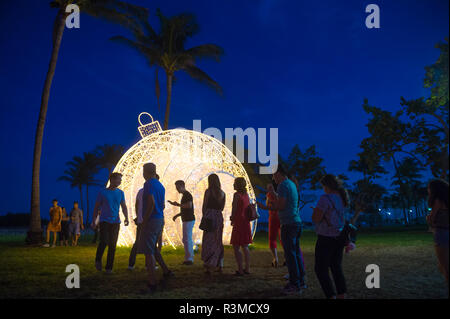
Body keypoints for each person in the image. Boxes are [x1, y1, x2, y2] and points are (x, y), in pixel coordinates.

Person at [260, 165, 306, 295]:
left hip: (288, 224)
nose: (273, 178)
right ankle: (301, 281)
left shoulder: (283, 186)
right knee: (295, 253)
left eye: (273, 175)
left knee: (290, 256)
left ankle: (294, 284)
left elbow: (281, 206)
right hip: (296, 222)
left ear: (278, 173)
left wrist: (266, 206)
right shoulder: (291, 184)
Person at [311, 174, 349, 299]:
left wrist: (315, 211)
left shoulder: (325, 198)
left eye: (323, 186)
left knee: (320, 269)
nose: (323, 189)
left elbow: (316, 218)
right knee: (336, 267)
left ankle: (330, 295)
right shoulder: (341, 198)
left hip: (325, 238)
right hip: (339, 237)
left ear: (327, 186)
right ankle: (341, 295)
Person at [137, 163, 173, 293]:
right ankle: (166, 271)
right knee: (153, 248)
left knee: (149, 252)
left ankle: (152, 282)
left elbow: (151, 203)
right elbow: (162, 205)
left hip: (151, 220)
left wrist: (144, 221)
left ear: (145, 172)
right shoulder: (160, 185)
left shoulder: (148, 184)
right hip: (160, 219)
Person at [91, 173, 129, 273]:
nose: (120, 181)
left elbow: (124, 206)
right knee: (104, 241)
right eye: (119, 179)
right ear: (112, 179)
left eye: (120, 180)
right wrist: (94, 221)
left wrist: (126, 217)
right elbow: (96, 207)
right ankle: (98, 259)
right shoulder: (102, 192)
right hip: (104, 221)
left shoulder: (120, 193)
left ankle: (109, 268)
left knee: (113, 245)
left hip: (116, 222)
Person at [201, 173, 226, 275]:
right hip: (219, 217)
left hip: (209, 216)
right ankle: (220, 264)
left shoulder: (208, 192)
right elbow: (222, 208)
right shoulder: (223, 193)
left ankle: (209, 265)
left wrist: (205, 216)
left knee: (208, 240)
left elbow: (204, 205)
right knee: (218, 240)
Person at [426, 179, 449, 286]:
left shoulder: (438, 201)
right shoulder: (446, 200)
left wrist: (429, 219)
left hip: (441, 233)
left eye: (429, 188)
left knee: (443, 266)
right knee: (443, 266)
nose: (428, 190)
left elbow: (431, 218)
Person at [168, 180, 195, 265]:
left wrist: (177, 205)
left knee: (187, 239)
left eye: (178, 187)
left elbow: (189, 206)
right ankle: (189, 257)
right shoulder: (185, 195)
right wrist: (177, 215)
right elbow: (186, 208)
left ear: (182, 186)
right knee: (186, 239)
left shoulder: (187, 195)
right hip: (187, 219)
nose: (177, 190)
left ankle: (189, 259)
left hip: (189, 219)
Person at [230, 177, 252, 276]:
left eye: (234, 183)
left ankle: (240, 269)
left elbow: (234, 209)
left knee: (236, 246)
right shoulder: (246, 195)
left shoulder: (236, 195)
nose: (233, 185)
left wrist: (232, 219)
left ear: (238, 185)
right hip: (246, 222)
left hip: (239, 222)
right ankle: (247, 268)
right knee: (245, 246)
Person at [128, 187, 144, 270]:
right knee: (150, 243)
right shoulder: (143, 191)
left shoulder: (140, 191)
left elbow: (136, 205)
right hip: (147, 221)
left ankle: (131, 264)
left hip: (141, 221)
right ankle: (150, 264)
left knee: (138, 242)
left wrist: (138, 216)